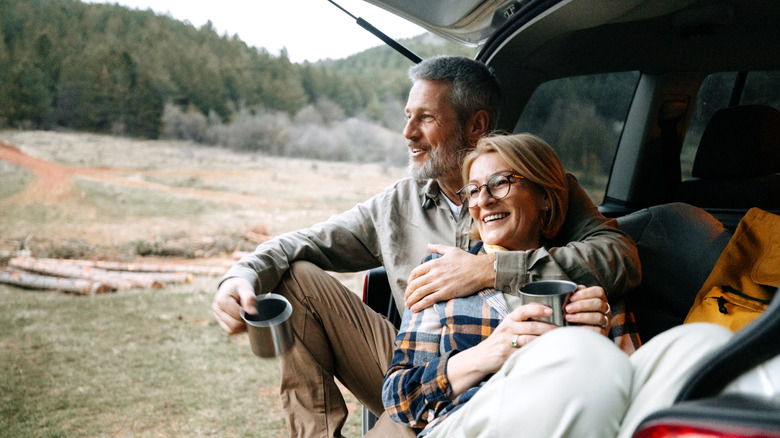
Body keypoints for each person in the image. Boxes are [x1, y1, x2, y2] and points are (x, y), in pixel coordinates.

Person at [211, 56, 641, 438]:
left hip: (527, 367)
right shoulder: (395, 204)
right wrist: (241, 276)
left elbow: (618, 257)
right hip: (419, 364)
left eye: (426, 118)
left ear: (476, 124)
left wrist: (490, 271)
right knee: (296, 276)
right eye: (406, 117)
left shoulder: (542, 190)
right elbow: (304, 241)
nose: (408, 133)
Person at [382, 133, 733, 438]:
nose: (483, 200)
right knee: (578, 356)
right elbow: (398, 396)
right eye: (473, 191)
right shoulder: (442, 273)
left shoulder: (584, 274)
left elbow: (633, 379)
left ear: (545, 197)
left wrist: (606, 337)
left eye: (500, 182)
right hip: (473, 418)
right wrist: (490, 353)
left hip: (595, 414)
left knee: (704, 344)